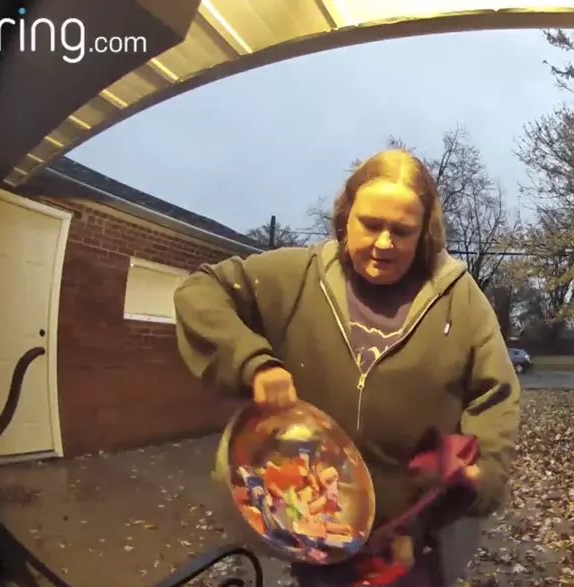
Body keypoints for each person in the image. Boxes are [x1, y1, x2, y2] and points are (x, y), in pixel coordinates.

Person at [173, 149, 521, 586]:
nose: (383, 244)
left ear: (424, 234)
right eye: (370, 225)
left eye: (402, 231)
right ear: (345, 217)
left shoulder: (459, 298)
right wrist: (254, 364)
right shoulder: (296, 275)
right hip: (317, 536)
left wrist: (479, 475)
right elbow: (199, 291)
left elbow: (496, 396)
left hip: (411, 546)